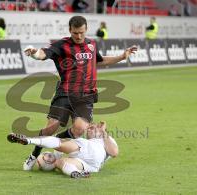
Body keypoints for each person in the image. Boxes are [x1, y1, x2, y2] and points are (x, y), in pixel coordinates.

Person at [22, 15, 137, 171]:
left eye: (81, 32)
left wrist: (122, 56)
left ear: (86, 29)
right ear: (70, 30)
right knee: (50, 128)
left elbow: (100, 60)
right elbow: (44, 53)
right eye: (75, 33)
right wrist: (35, 53)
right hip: (65, 93)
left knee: (80, 129)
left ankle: (54, 141)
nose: (78, 36)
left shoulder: (91, 45)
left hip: (86, 96)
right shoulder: (62, 45)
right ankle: (35, 154)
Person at [7, 121, 119, 178]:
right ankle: (76, 173)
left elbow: (114, 153)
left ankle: (28, 140)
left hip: (90, 152)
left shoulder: (106, 139)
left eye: (93, 128)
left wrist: (103, 131)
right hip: (91, 166)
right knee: (60, 162)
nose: (90, 129)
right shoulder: (91, 141)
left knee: (60, 143)